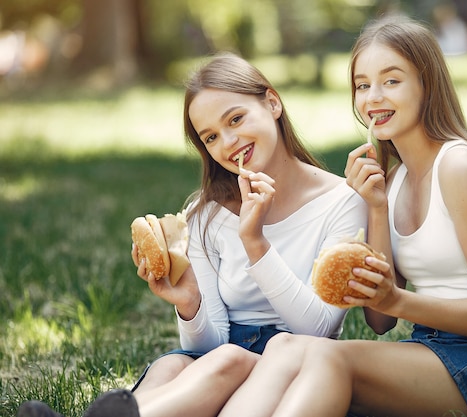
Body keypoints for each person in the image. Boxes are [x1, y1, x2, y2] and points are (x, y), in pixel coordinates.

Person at [217, 16, 467, 417]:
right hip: (434, 347)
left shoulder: (460, 167)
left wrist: (398, 299)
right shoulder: (394, 180)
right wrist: (378, 209)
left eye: (392, 81)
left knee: (332, 360)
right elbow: (380, 320)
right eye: (363, 86)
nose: (373, 98)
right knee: (285, 346)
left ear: (427, 83)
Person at [16, 52, 367, 417]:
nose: (229, 142)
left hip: (294, 366)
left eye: (236, 118)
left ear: (272, 103)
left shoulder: (341, 202)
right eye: (211, 137)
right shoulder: (206, 212)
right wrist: (189, 303)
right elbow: (208, 342)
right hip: (219, 364)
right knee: (171, 365)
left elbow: (319, 327)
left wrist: (255, 243)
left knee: (229, 358)